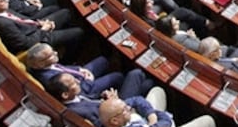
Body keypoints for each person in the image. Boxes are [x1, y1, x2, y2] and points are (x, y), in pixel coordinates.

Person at [24, 42, 154, 99]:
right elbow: (78, 92)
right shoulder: (49, 79)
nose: (56, 53)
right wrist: (88, 80)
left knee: (103, 61)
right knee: (118, 76)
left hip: (77, 76)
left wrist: (79, 69)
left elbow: (62, 68)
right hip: (85, 87)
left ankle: (130, 85)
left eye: (53, 51)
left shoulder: (47, 66)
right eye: (51, 55)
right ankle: (122, 87)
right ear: (39, 64)